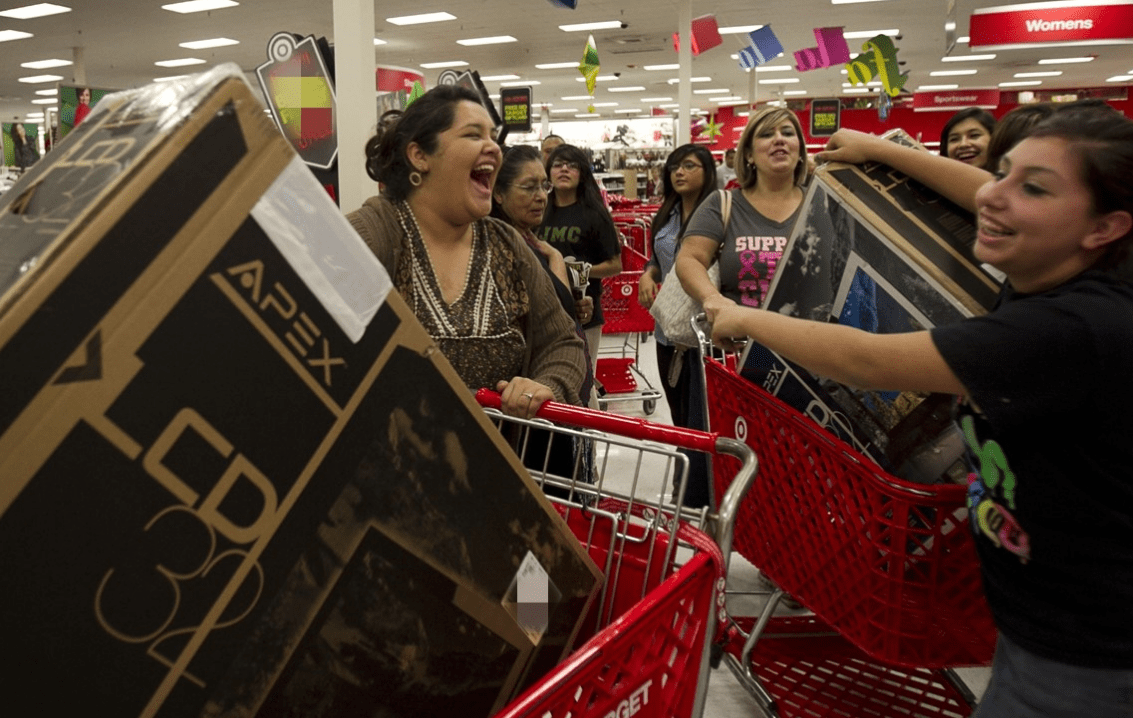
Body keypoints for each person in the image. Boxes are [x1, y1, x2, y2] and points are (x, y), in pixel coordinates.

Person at [710, 105, 1133, 718]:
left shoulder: (1069, 329)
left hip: (1087, 653)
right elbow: (979, 189)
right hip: (1039, 618)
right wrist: (879, 150)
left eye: (1033, 188)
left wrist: (747, 318)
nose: (995, 195)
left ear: (1104, 227)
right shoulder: (1050, 266)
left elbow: (871, 363)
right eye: (1005, 172)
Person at [346, 84, 585, 419]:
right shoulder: (370, 236)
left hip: (500, 461)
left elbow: (562, 342)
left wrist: (548, 385)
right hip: (387, 461)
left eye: (493, 135)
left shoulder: (506, 244)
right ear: (420, 155)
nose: (493, 147)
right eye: (474, 135)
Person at [675, 106, 807, 315]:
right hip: (742, 339)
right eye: (766, 134)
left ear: (799, 151)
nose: (779, 139)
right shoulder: (722, 204)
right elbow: (690, 259)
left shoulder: (822, 203)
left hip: (812, 341)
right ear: (749, 155)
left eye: (788, 133)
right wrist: (711, 298)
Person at [490, 144, 595, 405]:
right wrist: (556, 259)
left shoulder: (532, 241)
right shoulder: (504, 248)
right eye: (529, 187)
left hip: (560, 381)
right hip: (533, 393)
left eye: (544, 186)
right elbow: (559, 308)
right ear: (499, 193)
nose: (541, 196)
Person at [636, 143, 717, 429]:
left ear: (707, 172)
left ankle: (700, 473)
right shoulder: (666, 216)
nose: (679, 172)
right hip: (667, 332)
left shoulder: (722, 216)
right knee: (679, 418)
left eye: (688, 166)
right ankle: (687, 469)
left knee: (705, 420)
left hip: (706, 334)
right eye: (674, 167)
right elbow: (657, 260)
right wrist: (648, 274)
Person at [538, 143, 622, 371]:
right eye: (557, 165)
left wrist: (580, 271)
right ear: (548, 172)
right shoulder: (539, 210)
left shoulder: (595, 214)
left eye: (572, 165)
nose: (564, 169)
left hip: (585, 312)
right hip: (544, 311)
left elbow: (616, 265)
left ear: (582, 173)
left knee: (583, 380)